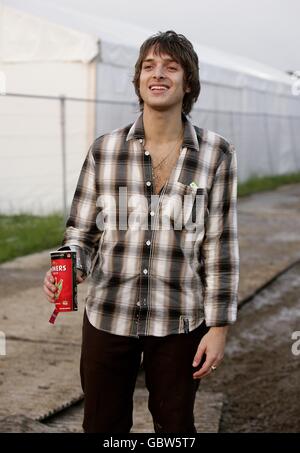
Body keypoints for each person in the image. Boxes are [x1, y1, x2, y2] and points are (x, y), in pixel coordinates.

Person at [43, 30, 239, 433]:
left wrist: (218, 327)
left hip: (180, 320)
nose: (158, 74)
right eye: (149, 66)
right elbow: (81, 234)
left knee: (175, 426)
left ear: (189, 83)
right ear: (138, 81)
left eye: (171, 66)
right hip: (109, 316)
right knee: (102, 426)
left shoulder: (216, 154)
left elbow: (219, 247)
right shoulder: (105, 150)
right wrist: (70, 267)